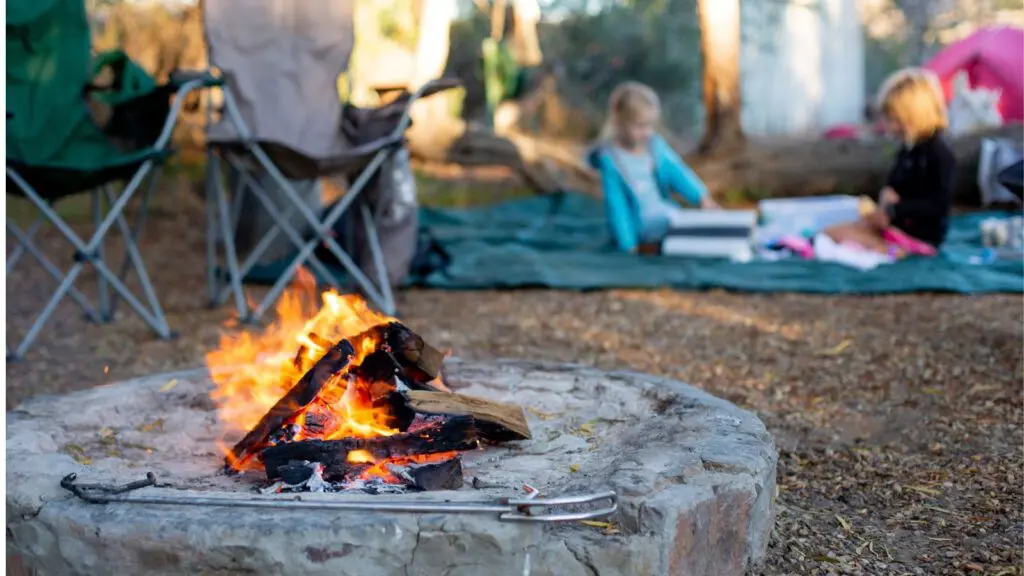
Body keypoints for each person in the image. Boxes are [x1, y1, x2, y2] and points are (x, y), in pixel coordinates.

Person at [825, 68, 956, 254]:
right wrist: (886, 201)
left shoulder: (939, 153)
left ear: (914, 115)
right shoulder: (908, 149)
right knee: (831, 232)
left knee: (837, 235)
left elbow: (939, 203)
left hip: (920, 236)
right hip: (897, 226)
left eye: (896, 119)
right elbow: (894, 186)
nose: (891, 126)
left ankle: (885, 248)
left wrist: (896, 210)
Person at [588, 82, 719, 254]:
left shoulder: (655, 147)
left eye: (650, 125)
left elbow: (678, 172)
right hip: (642, 225)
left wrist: (702, 197)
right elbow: (616, 205)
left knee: (685, 221)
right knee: (681, 227)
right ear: (620, 122)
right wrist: (628, 245)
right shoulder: (611, 160)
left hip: (666, 214)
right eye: (640, 126)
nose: (647, 132)